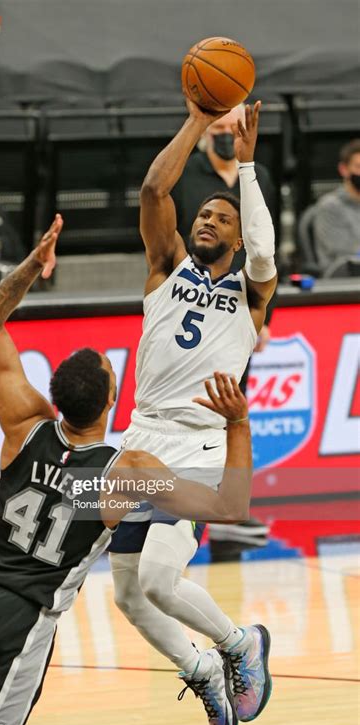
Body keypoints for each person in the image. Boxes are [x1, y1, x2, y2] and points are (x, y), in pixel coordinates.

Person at [0, 214, 256, 725]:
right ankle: (229, 647)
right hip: (20, 620)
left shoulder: (23, 425)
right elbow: (229, 508)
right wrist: (238, 423)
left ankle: (207, 664)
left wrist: (33, 267)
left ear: (55, 399)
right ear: (112, 401)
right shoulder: (120, 476)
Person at [108, 101, 276, 725]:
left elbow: (262, 252)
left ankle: (239, 645)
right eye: (203, 213)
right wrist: (198, 119)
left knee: (157, 577)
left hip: (200, 442)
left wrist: (247, 164)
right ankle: (202, 668)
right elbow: (155, 189)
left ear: (235, 237)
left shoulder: (251, 294)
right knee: (128, 594)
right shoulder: (165, 266)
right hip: (140, 436)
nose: (207, 220)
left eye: (220, 218)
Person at [172, 104, 275, 550]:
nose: (225, 134)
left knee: (232, 408)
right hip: (188, 297)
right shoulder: (187, 174)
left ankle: (228, 508)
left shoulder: (260, 178)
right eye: (218, 127)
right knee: (183, 404)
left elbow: (266, 250)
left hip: (239, 305)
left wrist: (263, 316)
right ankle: (174, 502)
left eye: (232, 127)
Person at [311, 138, 360, 274]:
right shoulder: (329, 207)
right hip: (341, 282)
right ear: (344, 169)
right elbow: (346, 255)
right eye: (358, 167)